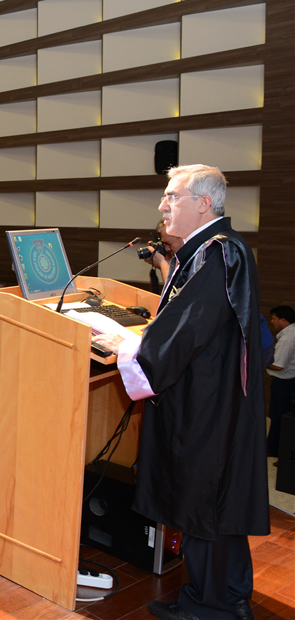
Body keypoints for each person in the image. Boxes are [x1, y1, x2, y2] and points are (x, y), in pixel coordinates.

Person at [90, 165, 266, 621]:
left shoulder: (218, 252)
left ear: (204, 204)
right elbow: (185, 321)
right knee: (216, 506)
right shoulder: (213, 250)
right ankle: (229, 598)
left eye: (172, 196)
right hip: (213, 397)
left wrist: (126, 347)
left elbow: (186, 332)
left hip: (208, 406)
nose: (162, 205)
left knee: (204, 503)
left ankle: (212, 607)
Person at [266, 306, 295, 459]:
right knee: (276, 417)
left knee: (283, 419)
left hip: (285, 384)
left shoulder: (287, 338)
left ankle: (284, 454)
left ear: (283, 320)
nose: (272, 322)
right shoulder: (289, 334)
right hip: (285, 383)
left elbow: (278, 365)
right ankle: (274, 448)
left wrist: (262, 360)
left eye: (274, 319)